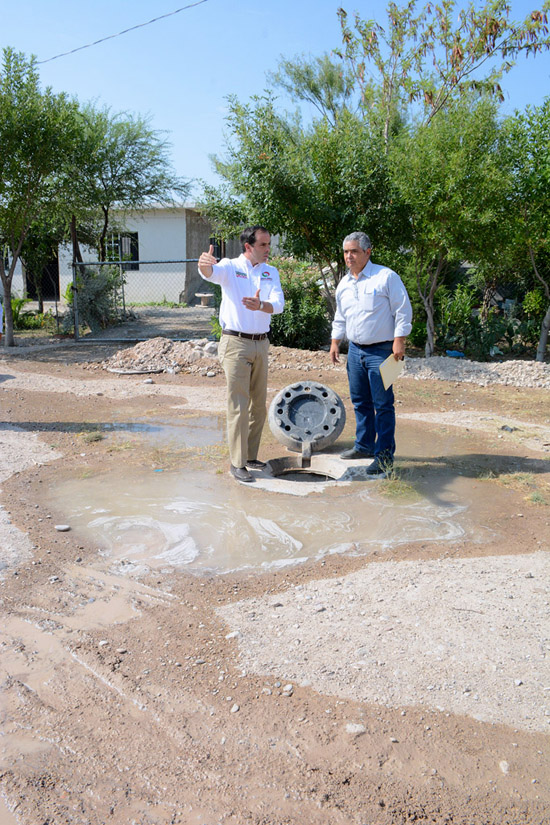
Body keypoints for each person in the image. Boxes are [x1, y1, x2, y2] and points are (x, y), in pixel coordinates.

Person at [198, 226, 284, 483]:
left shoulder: (271, 272)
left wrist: (262, 305)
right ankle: (237, 464)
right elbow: (210, 273)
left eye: (269, 245)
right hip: (235, 343)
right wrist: (203, 265)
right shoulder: (230, 267)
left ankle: (250, 456)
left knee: (258, 405)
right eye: (263, 245)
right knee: (238, 404)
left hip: (261, 344)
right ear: (248, 246)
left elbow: (278, 305)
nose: (268, 250)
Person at [330, 231, 412, 477]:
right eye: (346, 252)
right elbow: (340, 317)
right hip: (355, 351)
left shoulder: (385, 277)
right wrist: (335, 342)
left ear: (367, 252)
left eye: (354, 251)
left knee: (383, 405)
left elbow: (403, 310)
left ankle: (384, 457)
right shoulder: (344, 284)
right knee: (360, 402)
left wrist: (399, 341)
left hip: (383, 352)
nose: (349, 256)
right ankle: (364, 446)